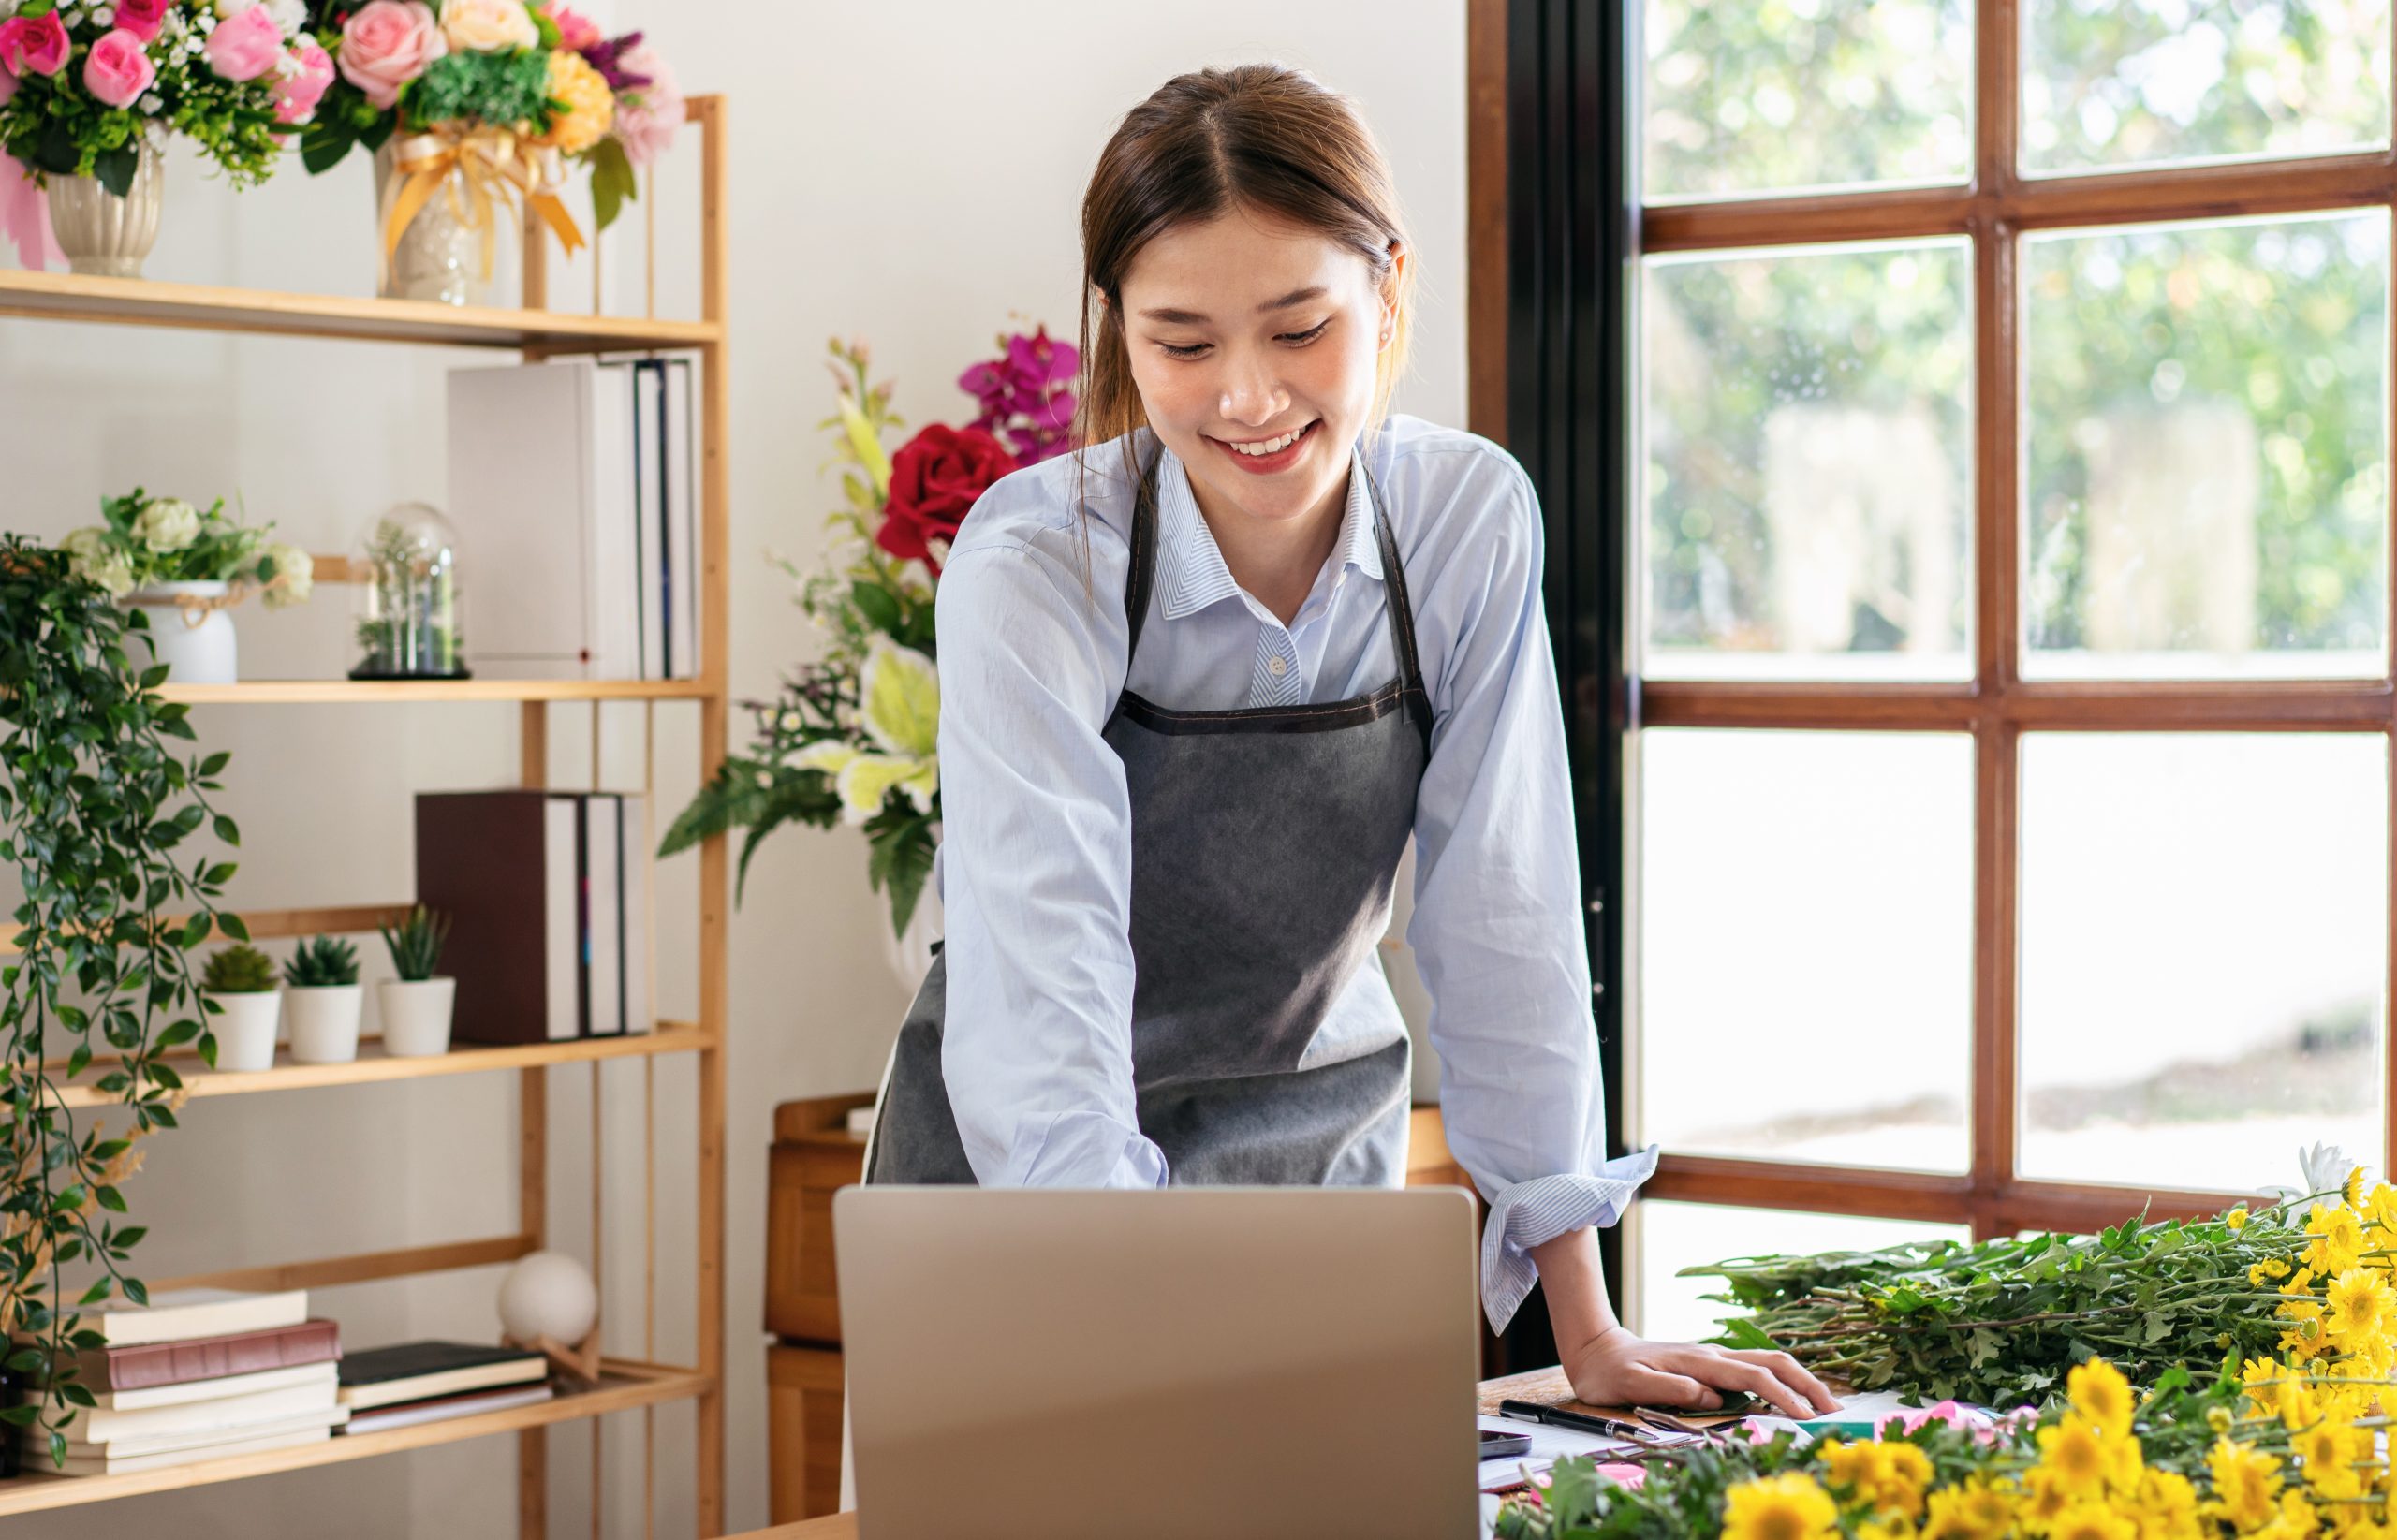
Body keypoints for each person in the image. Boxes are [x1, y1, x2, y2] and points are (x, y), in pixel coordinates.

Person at [861, 62, 1840, 1421]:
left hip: (1311, 1180)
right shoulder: (1041, 563)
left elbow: (1509, 923)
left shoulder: (1462, 521)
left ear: (1387, 290)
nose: (1249, 398)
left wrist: (1590, 1326)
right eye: (1184, 344)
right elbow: (1046, 994)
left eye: (1299, 328)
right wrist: (1114, 1327)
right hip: (1026, 1207)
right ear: (1119, 332)